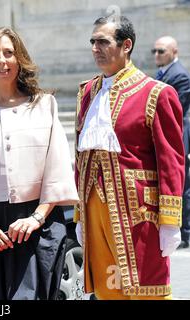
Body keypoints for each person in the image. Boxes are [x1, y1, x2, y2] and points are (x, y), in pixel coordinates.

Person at [0, 27, 79, 300]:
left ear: (20, 58)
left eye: (9, 53)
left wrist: (36, 218)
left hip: (37, 222)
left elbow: (56, 169)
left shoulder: (45, 104)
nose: (2, 61)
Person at [74, 16, 184, 300]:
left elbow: (171, 161)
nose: (96, 48)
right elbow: (81, 155)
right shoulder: (87, 92)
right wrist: (79, 214)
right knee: (108, 292)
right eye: (93, 42)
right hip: (93, 208)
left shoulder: (156, 93)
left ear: (126, 45)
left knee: (148, 292)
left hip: (137, 212)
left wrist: (171, 221)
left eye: (103, 41)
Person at [153, 36, 190, 249]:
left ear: (174, 52)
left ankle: (184, 232)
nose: (157, 55)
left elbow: (178, 110)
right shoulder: (164, 73)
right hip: (164, 134)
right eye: (154, 51)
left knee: (180, 185)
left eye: (161, 51)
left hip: (177, 136)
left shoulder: (180, 76)